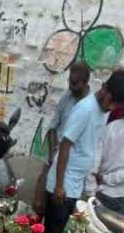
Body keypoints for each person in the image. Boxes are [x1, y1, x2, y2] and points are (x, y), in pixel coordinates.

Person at [45, 73, 112, 233]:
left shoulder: (102, 111)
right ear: (104, 88)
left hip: (74, 183)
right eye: (111, 101)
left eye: (116, 105)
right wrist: (59, 186)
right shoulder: (85, 109)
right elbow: (65, 144)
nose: (112, 107)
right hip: (63, 185)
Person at [36, 63, 90, 215]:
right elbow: (53, 127)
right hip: (55, 155)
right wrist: (53, 153)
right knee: (40, 203)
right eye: (69, 81)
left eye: (74, 83)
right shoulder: (67, 97)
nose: (71, 86)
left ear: (85, 83)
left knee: (62, 206)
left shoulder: (90, 106)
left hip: (72, 163)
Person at [94, 69, 124, 214]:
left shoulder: (111, 127)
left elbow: (97, 160)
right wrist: (107, 178)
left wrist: (103, 179)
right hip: (120, 198)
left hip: (103, 193)